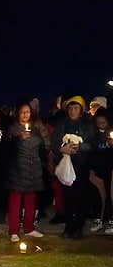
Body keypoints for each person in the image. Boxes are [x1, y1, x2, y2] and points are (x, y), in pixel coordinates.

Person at [51, 95, 96, 239]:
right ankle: (68, 226)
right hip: (66, 164)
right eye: (70, 108)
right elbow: (55, 142)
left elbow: (92, 143)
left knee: (81, 197)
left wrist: (80, 147)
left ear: (81, 110)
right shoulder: (62, 123)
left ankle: (78, 227)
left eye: (76, 108)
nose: (72, 111)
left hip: (81, 165)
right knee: (67, 197)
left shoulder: (87, 124)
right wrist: (61, 148)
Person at [3, 102, 46, 242]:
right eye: (22, 112)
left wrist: (43, 163)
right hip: (17, 170)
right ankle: (13, 230)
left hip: (33, 169)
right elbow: (6, 149)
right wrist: (18, 139)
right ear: (17, 113)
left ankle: (29, 228)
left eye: (27, 112)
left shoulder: (35, 130)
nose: (25, 114)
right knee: (15, 202)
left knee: (31, 201)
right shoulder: (11, 129)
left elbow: (41, 148)